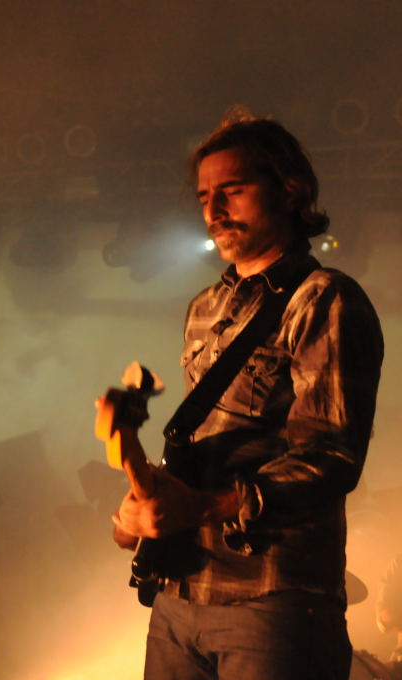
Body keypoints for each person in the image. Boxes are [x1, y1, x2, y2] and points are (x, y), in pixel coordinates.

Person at [109, 111, 383, 679]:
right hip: (180, 591)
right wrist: (144, 504)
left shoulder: (323, 299)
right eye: (204, 196)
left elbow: (332, 457)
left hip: (273, 599)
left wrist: (204, 506)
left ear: (289, 190)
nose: (213, 209)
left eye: (231, 190)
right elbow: (207, 444)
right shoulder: (204, 307)